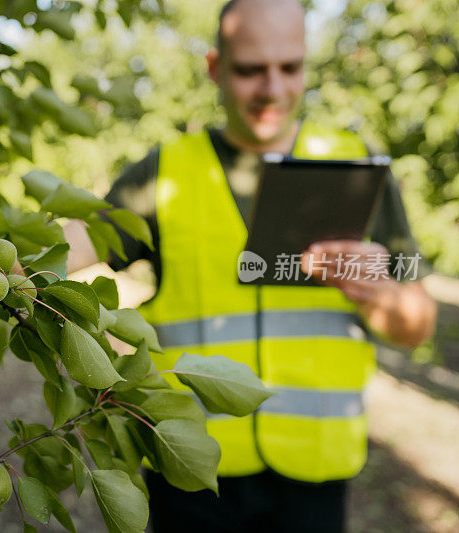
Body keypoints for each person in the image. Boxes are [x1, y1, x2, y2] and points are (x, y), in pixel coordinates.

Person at [65, 0, 438, 531]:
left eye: (290, 67)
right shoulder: (165, 171)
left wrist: (380, 291)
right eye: (250, 70)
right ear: (216, 68)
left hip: (314, 473)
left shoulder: (355, 166)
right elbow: (75, 241)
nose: (273, 89)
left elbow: (417, 323)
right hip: (190, 469)